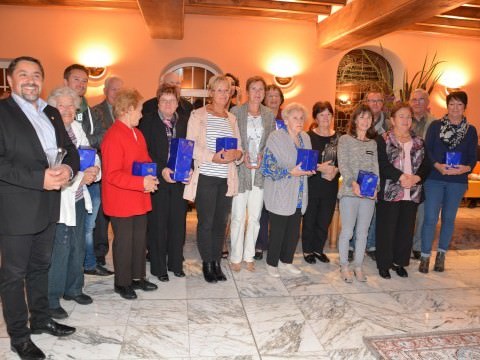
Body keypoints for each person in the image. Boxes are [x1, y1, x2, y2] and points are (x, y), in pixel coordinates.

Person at [0, 56, 77, 360]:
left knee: (40, 266)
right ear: (10, 80)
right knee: (13, 275)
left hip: (49, 204)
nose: (30, 80)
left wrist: (69, 170)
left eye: (36, 75)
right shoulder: (2, 112)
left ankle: (41, 319)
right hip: (17, 208)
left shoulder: (52, 113)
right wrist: (39, 178)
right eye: (23, 75)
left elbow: (68, 149)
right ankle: (20, 337)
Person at [46, 87, 101, 318]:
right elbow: (53, 168)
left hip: (79, 197)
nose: (68, 110)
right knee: (60, 247)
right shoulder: (48, 131)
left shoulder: (77, 127)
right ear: (52, 108)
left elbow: (90, 152)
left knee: (78, 243)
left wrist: (95, 169)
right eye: (62, 106)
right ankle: (51, 298)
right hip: (59, 200)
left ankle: (73, 288)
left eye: (71, 106)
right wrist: (80, 177)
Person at [183, 75, 243, 283]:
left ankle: (217, 261)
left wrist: (238, 154)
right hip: (206, 177)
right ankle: (207, 263)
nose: (224, 94)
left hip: (226, 178)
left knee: (220, 223)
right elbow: (191, 146)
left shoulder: (232, 118)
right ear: (210, 93)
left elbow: (239, 147)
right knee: (206, 223)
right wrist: (212, 157)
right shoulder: (197, 115)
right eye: (219, 90)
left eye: (227, 91)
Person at [101, 88, 159, 299]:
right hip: (121, 199)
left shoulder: (137, 133)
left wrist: (151, 176)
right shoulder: (113, 136)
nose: (142, 114)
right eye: (140, 110)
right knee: (124, 241)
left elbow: (144, 160)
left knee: (138, 240)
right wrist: (141, 181)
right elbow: (112, 175)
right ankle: (122, 282)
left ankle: (137, 277)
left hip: (139, 195)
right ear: (128, 110)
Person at [420, 91, 478, 273]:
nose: (455, 108)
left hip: (457, 181)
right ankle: (425, 256)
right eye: (452, 104)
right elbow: (427, 150)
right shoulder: (436, 126)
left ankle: (441, 255)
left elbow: (473, 156)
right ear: (447, 106)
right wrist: (438, 165)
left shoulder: (471, 130)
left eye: (459, 104)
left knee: (448, 219)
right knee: (430, 218)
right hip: (435, 178)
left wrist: (465, 168)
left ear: (465, 107)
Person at [139, 83, 190, 282]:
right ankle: (159, 267)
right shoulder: (147, 122)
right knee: (158, 224)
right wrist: (162, 169)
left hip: (179, 180)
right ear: (158, 102)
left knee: (178, 223)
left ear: (178, 103)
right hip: (157, 179)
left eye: (172, 100)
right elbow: (145, 151)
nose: (168, 104)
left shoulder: (185, 121)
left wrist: (190, 167)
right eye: (164, 100)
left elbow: (190, 148)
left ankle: (176, 264)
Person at [64, 64, 108, 278]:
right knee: (70, 225)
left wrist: (87, 147)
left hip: (92, 173)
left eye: (84, 81)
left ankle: (88, 263)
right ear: (66, 82)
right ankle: (78, 265)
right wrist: (86, 146)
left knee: (89, 222)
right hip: (67, 179)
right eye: (76, 80)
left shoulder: (91, 111)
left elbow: (101, 136)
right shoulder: (56, 110)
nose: (81, 84)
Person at [375, 102, 429, 279]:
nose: (406, 120)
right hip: (390, 191)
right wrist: (401, 177)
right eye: (401, 116)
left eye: (408, 116)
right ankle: (384, 264)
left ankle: (400, 263)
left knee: (406, 230)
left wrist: (416, 178)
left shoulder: (419, 141)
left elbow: (426, 164)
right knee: (386, 229)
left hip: (412, 192)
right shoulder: (382, 139)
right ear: (392, 119)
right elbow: (382, 164)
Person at [261, 103, 315, 278]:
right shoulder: (275, 137)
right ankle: (272, 263)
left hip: (300, 192)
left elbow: (307, 161)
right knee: (278, 230)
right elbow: (267, 167)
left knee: (293, 231)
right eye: (295, 118)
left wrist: (313, 168)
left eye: (301, 118)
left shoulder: (305, 138)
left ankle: (286, 261)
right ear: (285, 120)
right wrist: (289, 171)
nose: (299, 121)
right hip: (280, 191)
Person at [229, 76, 275, 272]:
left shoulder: (269, 115)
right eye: (254, 89)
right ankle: (235, 256)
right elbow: (231, 139)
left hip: (260, 172)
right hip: (241, 170)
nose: (257, 93)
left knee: (255, 217)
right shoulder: (236, 112)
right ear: (248, 91)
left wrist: (265, 155)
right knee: (238, 216)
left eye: (261, 90)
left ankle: (249, 255)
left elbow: (272, 142)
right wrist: (242, 154)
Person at [337, 104, 379, 283]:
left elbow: (375, 167)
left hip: (368, 195)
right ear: (355, 120)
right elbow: (343, 164)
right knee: (347, 232)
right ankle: (344, 265)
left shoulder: (373, 143)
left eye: (368, 118)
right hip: (349, 192)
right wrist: (352, 183)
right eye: (361, 117)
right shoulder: (345, 140)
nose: (365, 120)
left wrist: (375, 189)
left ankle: (358, 265)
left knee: (363, 233)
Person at [90, 76, 124, 272]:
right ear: (105, 90)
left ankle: (121, 251)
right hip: (102, 170)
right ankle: (99, 253)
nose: (117, 93)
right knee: (101, 216)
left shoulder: (126, 112)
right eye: (114, 89)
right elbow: (91, 140)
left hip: (123, 172)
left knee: (119, 214)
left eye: (120, 90)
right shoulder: (95, 112)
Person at [302, 101, 339, 265]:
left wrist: (336, 170)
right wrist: (320, 168)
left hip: (330, 185)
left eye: (328, 114)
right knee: (310, 219)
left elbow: (343, 161)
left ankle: (318, 249)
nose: (326, 118)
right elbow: (303, 162)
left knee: (325, 220)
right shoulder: (308, 137)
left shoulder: (338, 137)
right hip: (312, 184)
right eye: (322, 114)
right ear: (315, 117)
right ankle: (308, 250)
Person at [254, 84, 286, 260]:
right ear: (264, 99)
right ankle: (260, 244)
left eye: (276, 95)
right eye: (270, 96)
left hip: (282, 170)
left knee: (277, 209)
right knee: (261, 208)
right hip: (262, 168)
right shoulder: (259, 117)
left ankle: (276, 244)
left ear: (281, 99)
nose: (273, 99)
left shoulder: (287, 118)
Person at [409, 88, 435, 259]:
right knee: (406, 211)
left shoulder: (435, 123)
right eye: (414, 100)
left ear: (427, 103)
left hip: (426, 173)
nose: (417, 103)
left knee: (423, 212)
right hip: (406, 173)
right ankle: (403, 243)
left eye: (421, 100)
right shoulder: (404, 120)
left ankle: (417, 246)